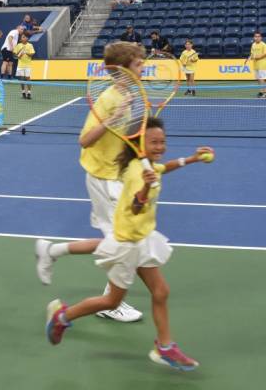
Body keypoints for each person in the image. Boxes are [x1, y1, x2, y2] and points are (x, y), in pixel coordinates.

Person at [43, 117, 211, 371]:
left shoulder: (150, 166)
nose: (160, 147)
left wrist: (192, 159)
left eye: (163, 142)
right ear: (140, 144)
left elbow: (166, 167)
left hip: (141, 239)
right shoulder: (136, 173)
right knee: (111, 301)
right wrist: (144, 189)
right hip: (127, 245)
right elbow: (135, 205)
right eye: (154, 142)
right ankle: (62, 317)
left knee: (161, 292)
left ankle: (165, 348)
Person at [35, 42, 144, 322]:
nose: (143, 67)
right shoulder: (109, 99)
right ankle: (111, 302)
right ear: (121, 71)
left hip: (115, 175)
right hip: (103, 178)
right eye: (138, 64)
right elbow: (84, 140)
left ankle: (51, 250)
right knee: (123, 241)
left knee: (118, 239)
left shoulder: (128, 93)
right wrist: (115, 117)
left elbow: (122, 138)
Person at [13, 33, 35, 99]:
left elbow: (32, 54)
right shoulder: (18, 45)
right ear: (21, 39)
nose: (24, 38)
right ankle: (23, 92)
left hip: (28, 65)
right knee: (21, 79)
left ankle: (29, 93)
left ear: (27, 38)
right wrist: (18, 55)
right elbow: (14, 55)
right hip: (20, 65)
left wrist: (26, 53)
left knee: (28, 79)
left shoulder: (30, 45)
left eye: (25, 37)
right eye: (23, 37)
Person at [246, 32, 266, 98]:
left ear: (261, 37)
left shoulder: (263, 45)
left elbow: (265, 54)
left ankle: (263, 92)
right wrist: (250, 57)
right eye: (256, 36)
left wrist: (256, 57)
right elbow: (252, 53)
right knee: (258, 79)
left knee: (262, 79)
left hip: (262, 65)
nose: (257, 38)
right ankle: (261, 91)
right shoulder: (253, 45)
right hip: (255, 65)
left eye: (258, 36)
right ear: (254, 38)